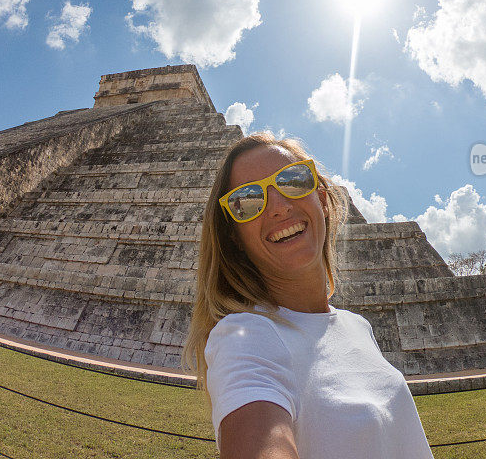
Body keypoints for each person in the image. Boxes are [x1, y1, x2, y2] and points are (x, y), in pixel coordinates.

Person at [183, 133, 433, 459]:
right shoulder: (246, 336)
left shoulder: (357, 326)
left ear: (324, 199)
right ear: (234, 236)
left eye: (293, 180)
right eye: (247, 200)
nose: (279, 207)